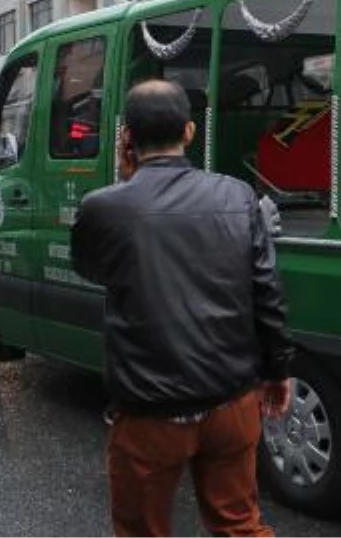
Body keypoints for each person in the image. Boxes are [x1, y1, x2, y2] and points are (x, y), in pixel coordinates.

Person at [71, 80, 294, 537]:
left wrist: (125, 177)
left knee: (143, 531)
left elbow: (92, 269)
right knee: (241, 525)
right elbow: (266, 291)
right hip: (231, 400)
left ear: (126, 137)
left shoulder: (102, 208)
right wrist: (278, 370)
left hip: (151, 411)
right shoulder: (237, 195)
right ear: (190, 131)